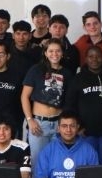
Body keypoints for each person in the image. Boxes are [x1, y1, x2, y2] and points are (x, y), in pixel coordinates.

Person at [21, 38, 73, 168]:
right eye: (51, 51)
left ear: (62, 53)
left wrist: (63, 122)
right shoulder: (36, 70)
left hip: (57, 124)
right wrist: (30, 120)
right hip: (39, 123)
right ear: (45, 52)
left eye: (57, 51)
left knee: (58, 161)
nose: (54, 54)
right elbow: (24, 96)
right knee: (38, 162)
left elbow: (69, 100)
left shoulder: (67, 73)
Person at [65, 45, 102, 161]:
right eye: (91, 56)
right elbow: (70, 105)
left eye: (98, 56)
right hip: (86, 133)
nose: (94, 59)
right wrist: (78, 127)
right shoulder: (77, 79)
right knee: (87, 167)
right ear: (85, 59)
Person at [34, 112, 99, 178]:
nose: (68, 130)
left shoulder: (89, 151)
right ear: (58, 128)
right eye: (64, 126)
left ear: (78, 127)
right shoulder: (47, 151)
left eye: (72, 126)